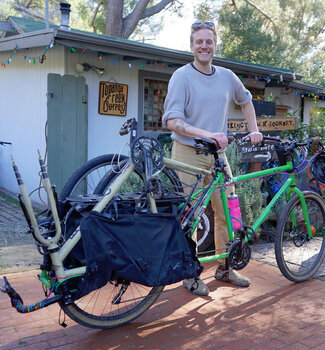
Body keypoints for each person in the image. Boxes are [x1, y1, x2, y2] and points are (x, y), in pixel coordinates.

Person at [162, 21, 263, 296]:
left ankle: (225, 267)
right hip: (187, 153)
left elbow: (246, 100)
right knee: (189, 216)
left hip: (218, 155)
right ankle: (190, 274)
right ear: (191, 45)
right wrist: (207, 133)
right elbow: (172, 120)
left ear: (215, 45)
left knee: (228, 211)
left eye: (209, 41)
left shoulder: (227, 77)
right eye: (199, 42)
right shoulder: (182, 77)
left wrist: (253, 128)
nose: (204, 46)